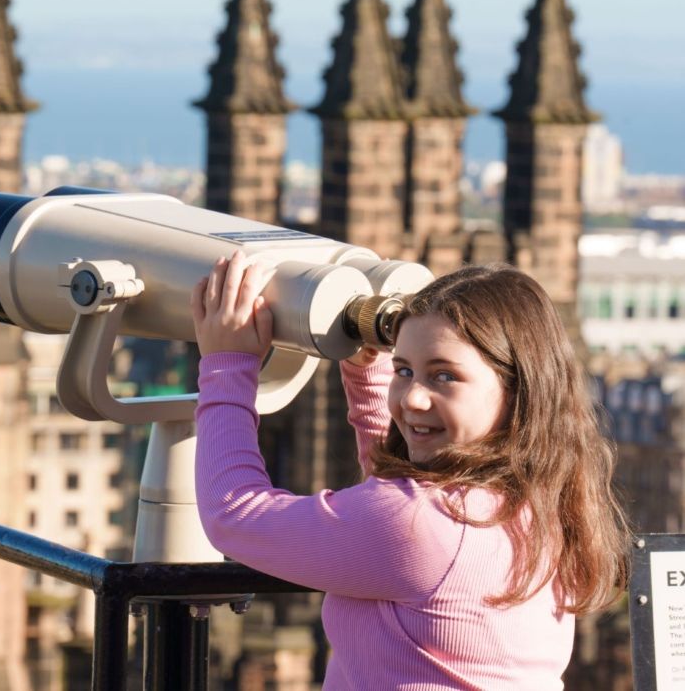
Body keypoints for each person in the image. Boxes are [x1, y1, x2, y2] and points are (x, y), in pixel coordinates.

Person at [190, 253, 630, 690]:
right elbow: (394, 500)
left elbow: (234, 513)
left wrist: (228, 361)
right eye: (404, 369)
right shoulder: (539, 504)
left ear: (517, 390)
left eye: (444, 377)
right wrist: (367, 370)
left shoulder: (421, 524)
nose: (412, 398)